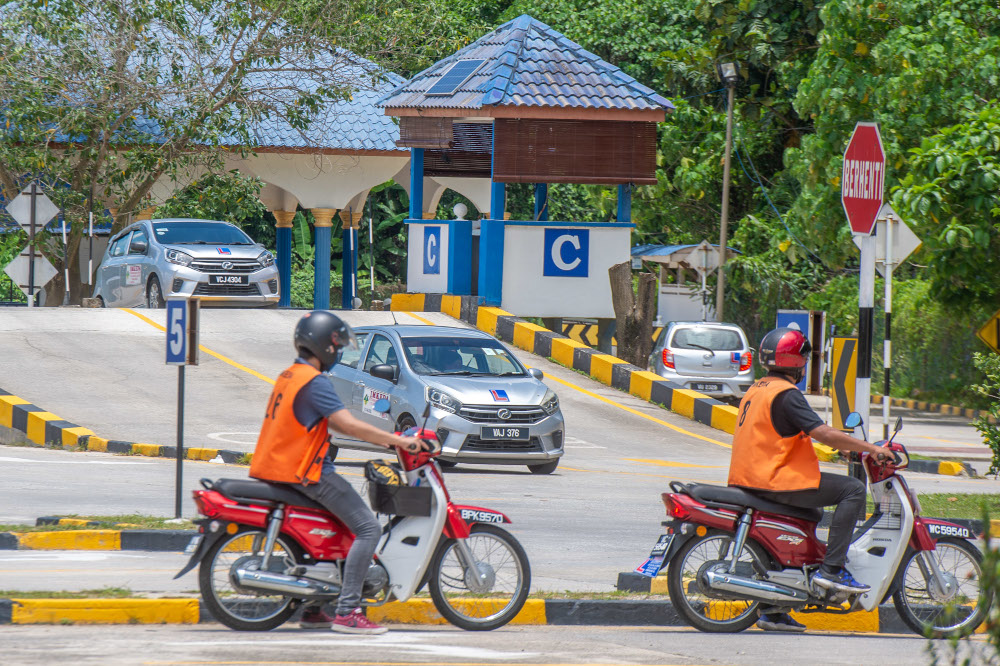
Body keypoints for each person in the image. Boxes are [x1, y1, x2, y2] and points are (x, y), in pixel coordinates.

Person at [249, 310, 429, 635]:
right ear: (326, 346)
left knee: (335, 533)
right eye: (338, 346)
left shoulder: (291, 374)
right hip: (307, 471)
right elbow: (347, 424)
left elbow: (327, 421)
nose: (340, 352)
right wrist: (397, 440)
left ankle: (315, 608)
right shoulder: (315, 381)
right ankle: (348, 612)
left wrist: (386, 442)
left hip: (280, 467)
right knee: (368, 529)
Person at [727, 327, 892, 633]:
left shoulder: (759, 388)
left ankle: (773, 610)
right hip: (775, 480)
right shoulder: (787, 394)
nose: (805, 365)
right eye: (803, 359)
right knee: (852, 490)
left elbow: (782, 433)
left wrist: (843, 451)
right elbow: (821, 431)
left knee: (810, 517)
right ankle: (832, 571)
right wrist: (870, 448)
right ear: (796, 363)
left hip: (748, 477)